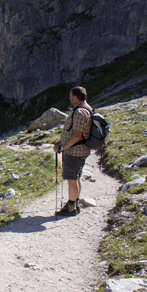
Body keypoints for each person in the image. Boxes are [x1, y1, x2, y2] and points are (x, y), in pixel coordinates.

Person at [53, 86, 93, 216]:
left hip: (75, 152)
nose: (70, 99)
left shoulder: (80, 112)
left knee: (71, 180)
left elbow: (77, 135)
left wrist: (62, 147)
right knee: (76, 178)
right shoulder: (86, 109)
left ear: (76, 97)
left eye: (71, 96)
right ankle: (74, 203)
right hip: (79, 151)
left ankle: (71, 208)